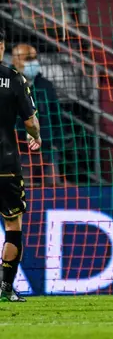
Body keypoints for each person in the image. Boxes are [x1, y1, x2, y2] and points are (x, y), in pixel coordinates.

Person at [0, 28, 42, 302]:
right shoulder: (13, 78)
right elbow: (30, 122)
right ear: (1, 45)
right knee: (13, 224)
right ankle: (5, 288)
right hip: (5, 164)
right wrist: (34, 135)